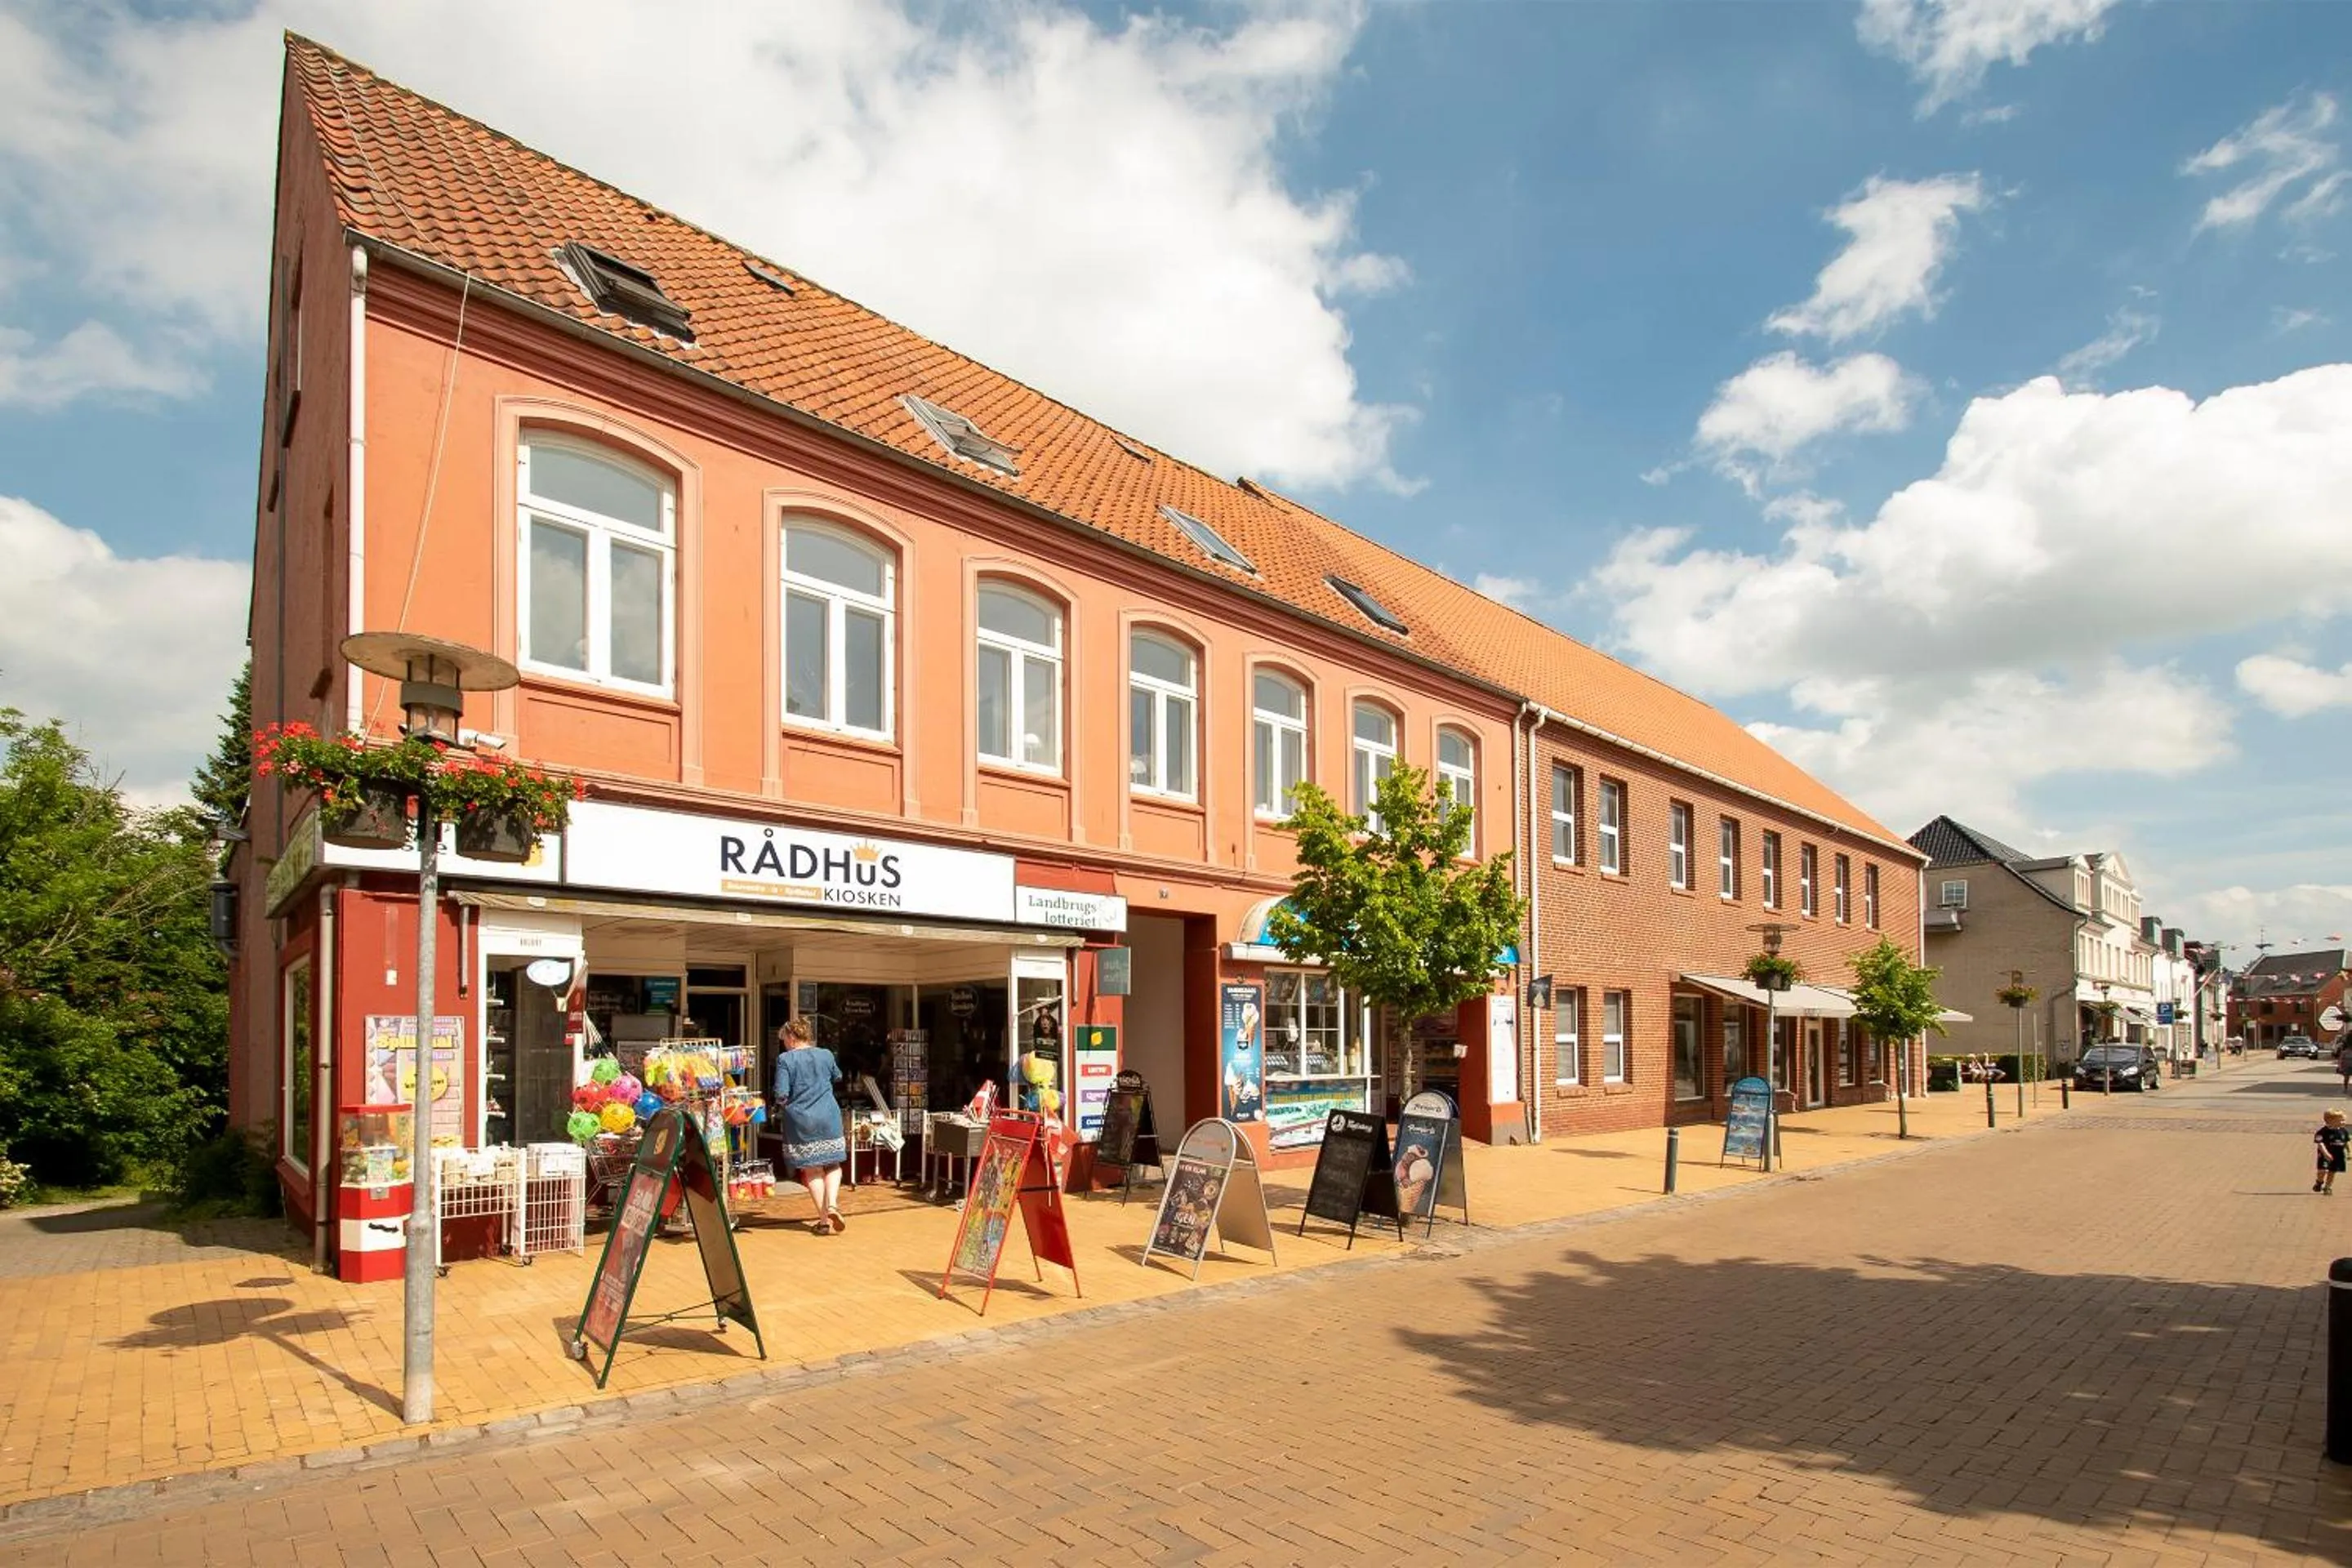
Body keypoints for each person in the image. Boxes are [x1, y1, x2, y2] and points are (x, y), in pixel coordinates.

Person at [773, 1019, 849, 1233]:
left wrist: (783, 1105)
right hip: (828, 1115)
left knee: (812, 1169)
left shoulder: (785, 1060)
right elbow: (838, 1076)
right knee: (833, 1164)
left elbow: (781, 1093)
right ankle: (833, 1203)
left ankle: (824, 1222)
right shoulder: (825, 1054)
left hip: (802, 1119)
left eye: (784, 1039)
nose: (784, 1043)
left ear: (792, 1037)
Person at [2314, 1109, 2349, 1195]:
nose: (2343, 1122)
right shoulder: (2322, 1132)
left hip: (2338, 1155)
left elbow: (2346, 1142)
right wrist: (2326, 1154)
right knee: (2322, 1170)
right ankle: (2319, 1181)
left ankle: (2328, 1187)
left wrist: (2349, 1152)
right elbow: (2320, 1144)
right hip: (2325, 1155)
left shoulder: (2343, 1131)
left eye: (2344, 1120)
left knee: (2332, 1171)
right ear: (2330, 1121)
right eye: (2341, 1120)